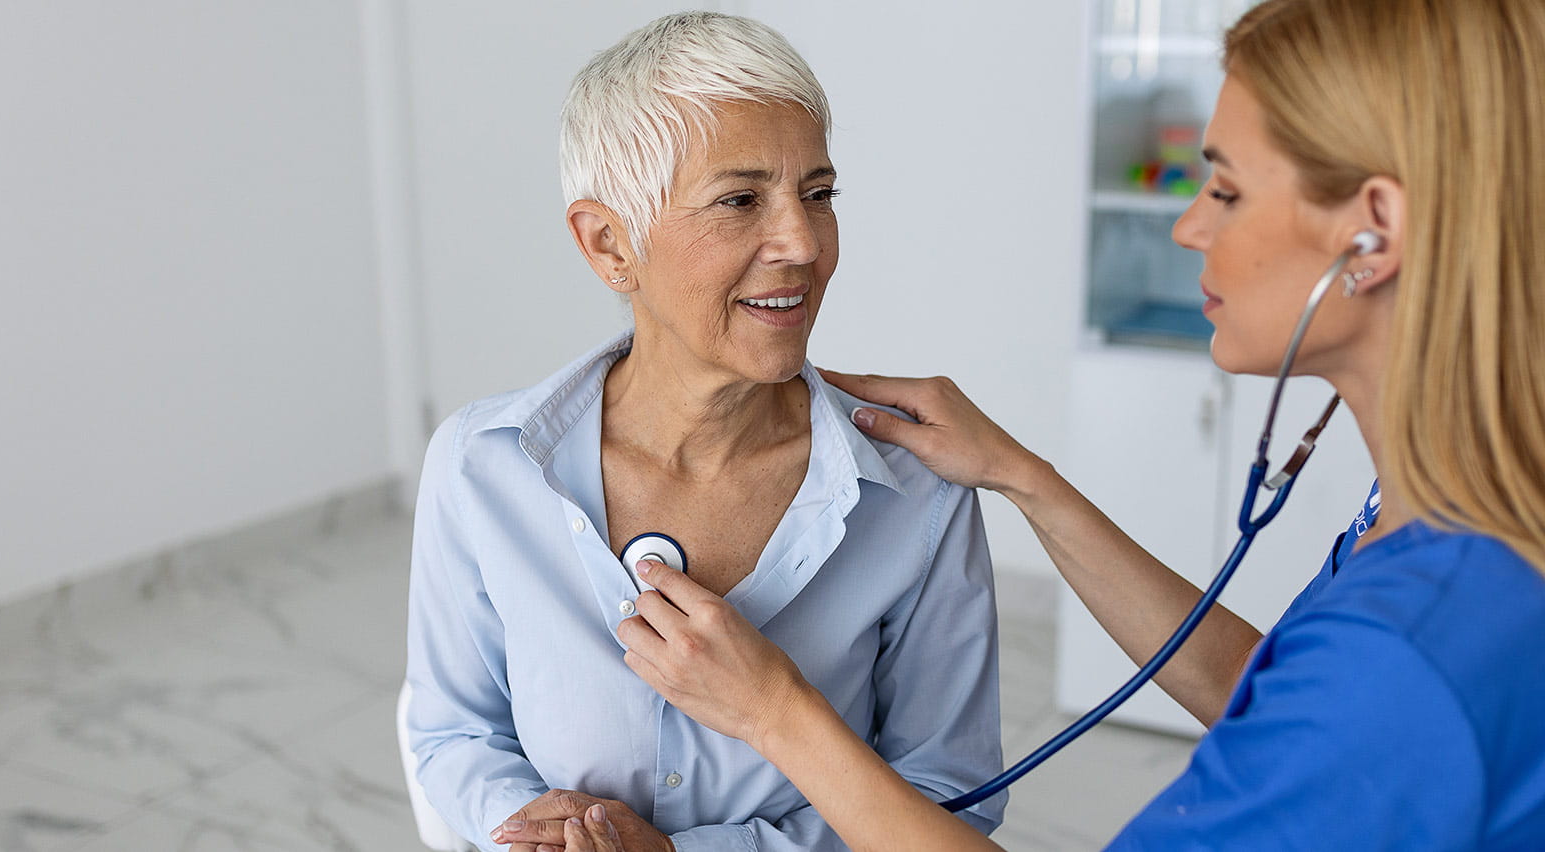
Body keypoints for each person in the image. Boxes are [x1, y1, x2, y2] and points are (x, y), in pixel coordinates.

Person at [567, 0, 1545, 849]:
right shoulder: (1452, 520)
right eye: (739, 199)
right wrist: (1024, 477)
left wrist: (773, 712)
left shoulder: (1413, 649)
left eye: (1226, 188)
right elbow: (1282, 693)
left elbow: (1365, 703)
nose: (1188, 224)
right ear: (606, 246)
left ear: (1372, 230)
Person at [405, 12, 1008, 852]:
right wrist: (531, 831)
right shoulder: (480, 466)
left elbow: (948, 798)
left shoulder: (917, 490)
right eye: (739, 200)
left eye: (819, 194)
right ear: (610, 244)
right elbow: (452, 731)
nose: (802, 243)